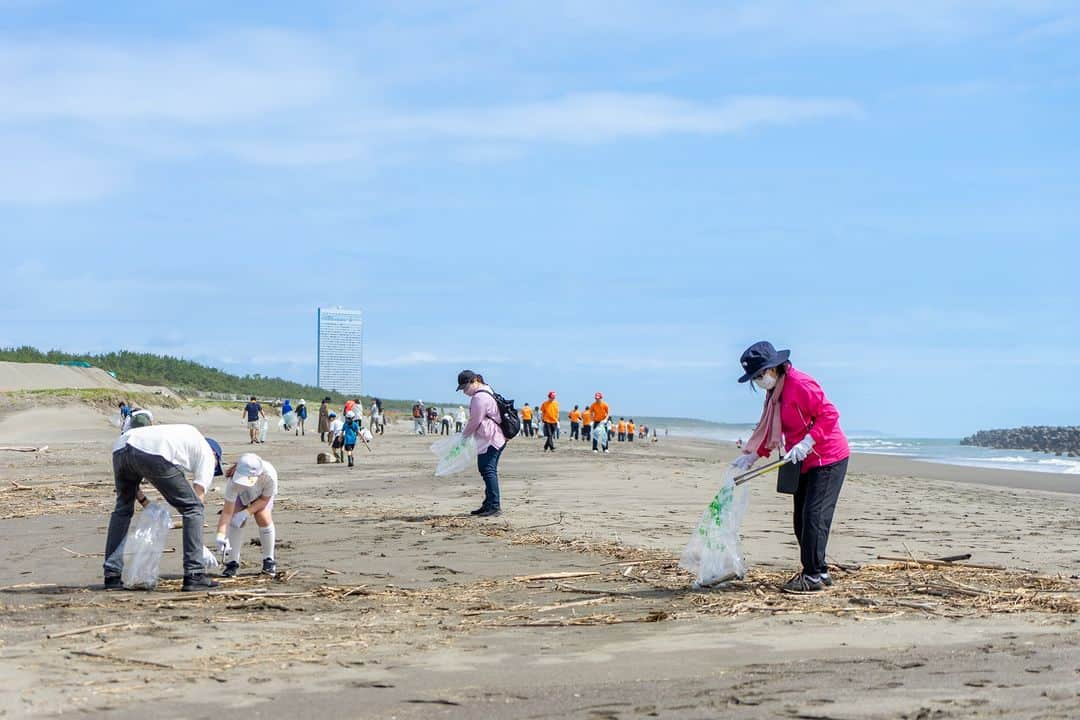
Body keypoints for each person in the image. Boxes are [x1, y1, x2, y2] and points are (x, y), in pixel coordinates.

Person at [731, 341, 850, 593]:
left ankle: (814, 575)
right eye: (756, 378)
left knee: (814, 516)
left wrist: (808, 442)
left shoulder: (800, 384)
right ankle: (820, 569)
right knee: (800, 519)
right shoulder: (775, 393)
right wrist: (753, 455)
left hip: (828, 457)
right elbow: (772, 428)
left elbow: (829, 415)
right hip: (801, 460)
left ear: (775, 368)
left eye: (761, 374)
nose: (760, 381)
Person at [105, 424, 224, 591]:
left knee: (122, 510)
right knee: (194, 509)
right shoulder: (207, 454)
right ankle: (194, 573)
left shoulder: (182, 442)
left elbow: (134, 487)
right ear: (215, 454)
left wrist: (147, 504)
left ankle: (111, 575)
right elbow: (196, 501)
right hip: (153, 451)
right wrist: (198, 547)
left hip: (121, 447)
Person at [215, 453, 278, 577]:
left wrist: (246, 512)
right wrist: (220, 535)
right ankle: (233, 562)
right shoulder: (233, 482)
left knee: (262, 516)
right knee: (235, 518)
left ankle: (269, 560)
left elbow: (264, 500)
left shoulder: (269, 475)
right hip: (241, 495)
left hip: (261, 496)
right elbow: (227, 512)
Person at [457, 369, 506, 517]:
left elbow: (474, 421)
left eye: (465, 388)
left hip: (491, 438)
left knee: (487, 470)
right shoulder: (487, 390)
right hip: (494, 437)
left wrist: (463, 437)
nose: (465, 392)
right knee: (487, 469)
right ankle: (488, 504)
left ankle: (494, 505)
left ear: (474, 381)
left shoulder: (479, 398)